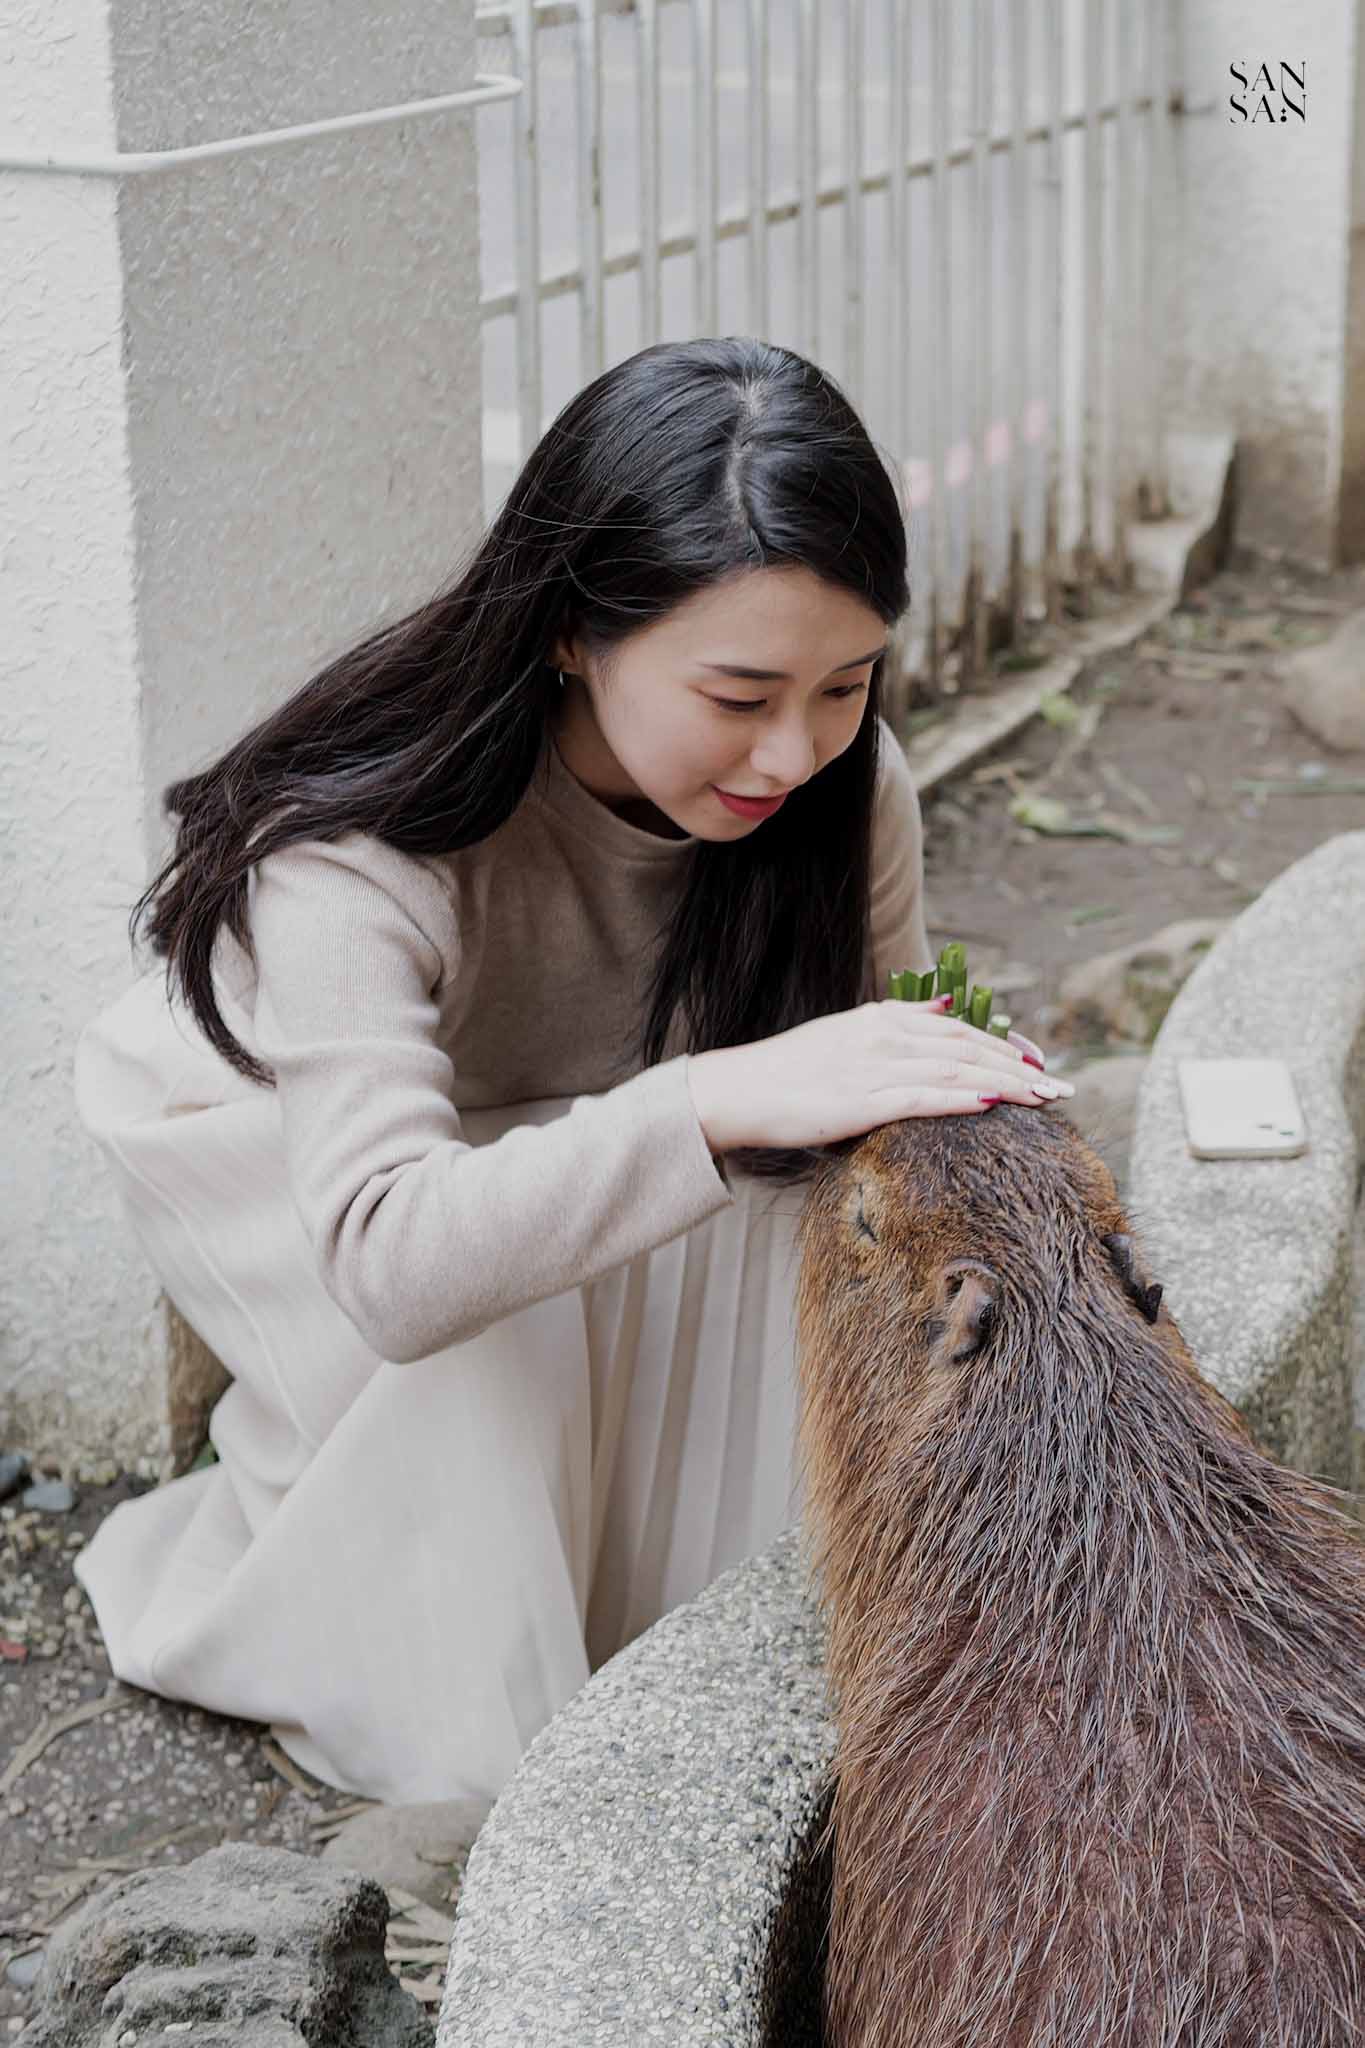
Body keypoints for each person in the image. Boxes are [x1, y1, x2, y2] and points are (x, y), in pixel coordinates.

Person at [71, 336, 1071, 1821]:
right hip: (302, 1170)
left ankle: (684, 1629)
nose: (792, 749)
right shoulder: (357, 852)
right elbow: (398, 1268)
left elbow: (845, 1102)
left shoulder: (843, 796)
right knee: (514, 1313)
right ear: (568, 634)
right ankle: (434, 1672)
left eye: (844, 684)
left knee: (782, 1208)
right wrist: (720, 1098)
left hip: (570, 1117)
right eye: (735, 692)